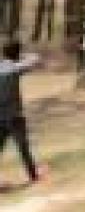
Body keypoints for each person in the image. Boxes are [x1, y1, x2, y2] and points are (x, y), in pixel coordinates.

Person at [0, 40, 42, 185]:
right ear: (16, 54)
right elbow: (35, 59)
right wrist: (21, 56)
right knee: (24, 148)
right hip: (14, 116)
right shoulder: (15, 68)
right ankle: (33, 176)